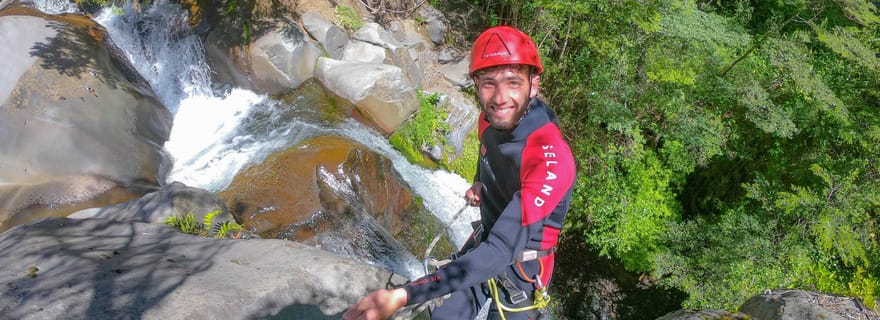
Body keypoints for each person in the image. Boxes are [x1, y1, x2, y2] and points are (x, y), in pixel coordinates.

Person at [343, 25, 576, 320]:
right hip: (482, 250)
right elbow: (490, 155)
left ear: (534, 84)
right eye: (489, 83)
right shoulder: (488, 121)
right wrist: (480, 182)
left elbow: (501, 251)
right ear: (476, 85)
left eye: (513, 82)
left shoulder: (550, 159)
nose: (500, 97)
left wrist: (403, 295)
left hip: (521, 272)